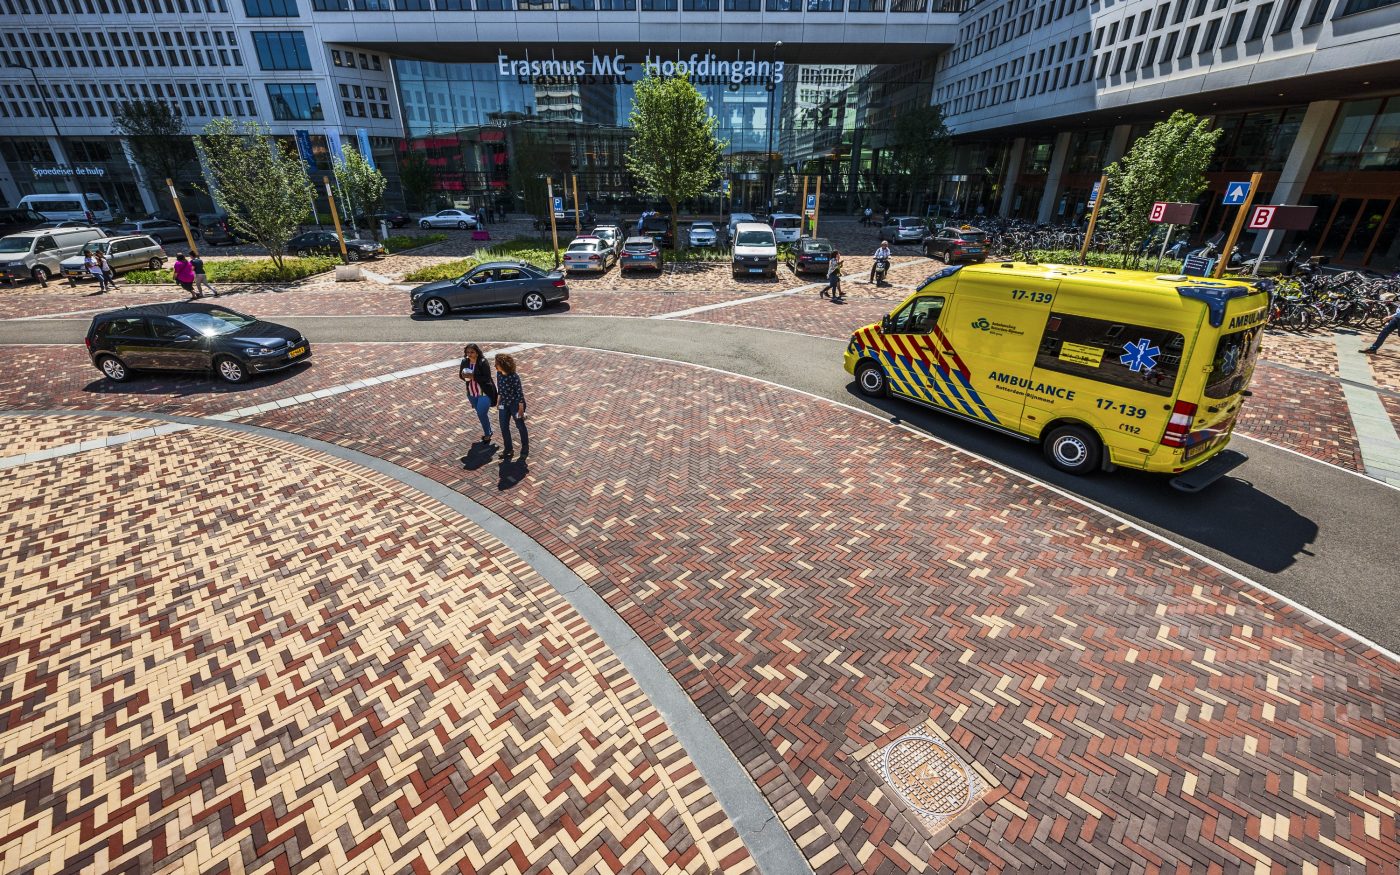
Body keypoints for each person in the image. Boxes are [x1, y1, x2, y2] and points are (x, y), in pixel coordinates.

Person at [459, 343, 498, 444]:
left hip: (484, 393)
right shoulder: (464, 361)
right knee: (481, 414)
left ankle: (488, 434)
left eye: (472, 352)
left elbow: (487, 378)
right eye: (467, 352)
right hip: (471, 393)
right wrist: (464, 376)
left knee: (481, 413)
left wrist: (473, 377)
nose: (469, 354)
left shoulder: (482, 362)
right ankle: (489, 430)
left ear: (477, 352)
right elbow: (460, 375)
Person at [495, 353, 529, 459]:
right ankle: (508, 449)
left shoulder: (514, 376)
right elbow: (500, 389)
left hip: (515, 404)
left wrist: (521, 409)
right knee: (504, 427)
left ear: (503, 364)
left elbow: (519, 393)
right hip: (504, 404)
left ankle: (525, 448)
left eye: (497, 364)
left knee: (520, 426)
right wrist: (498, 402)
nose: (495, 366)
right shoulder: (498, 374)